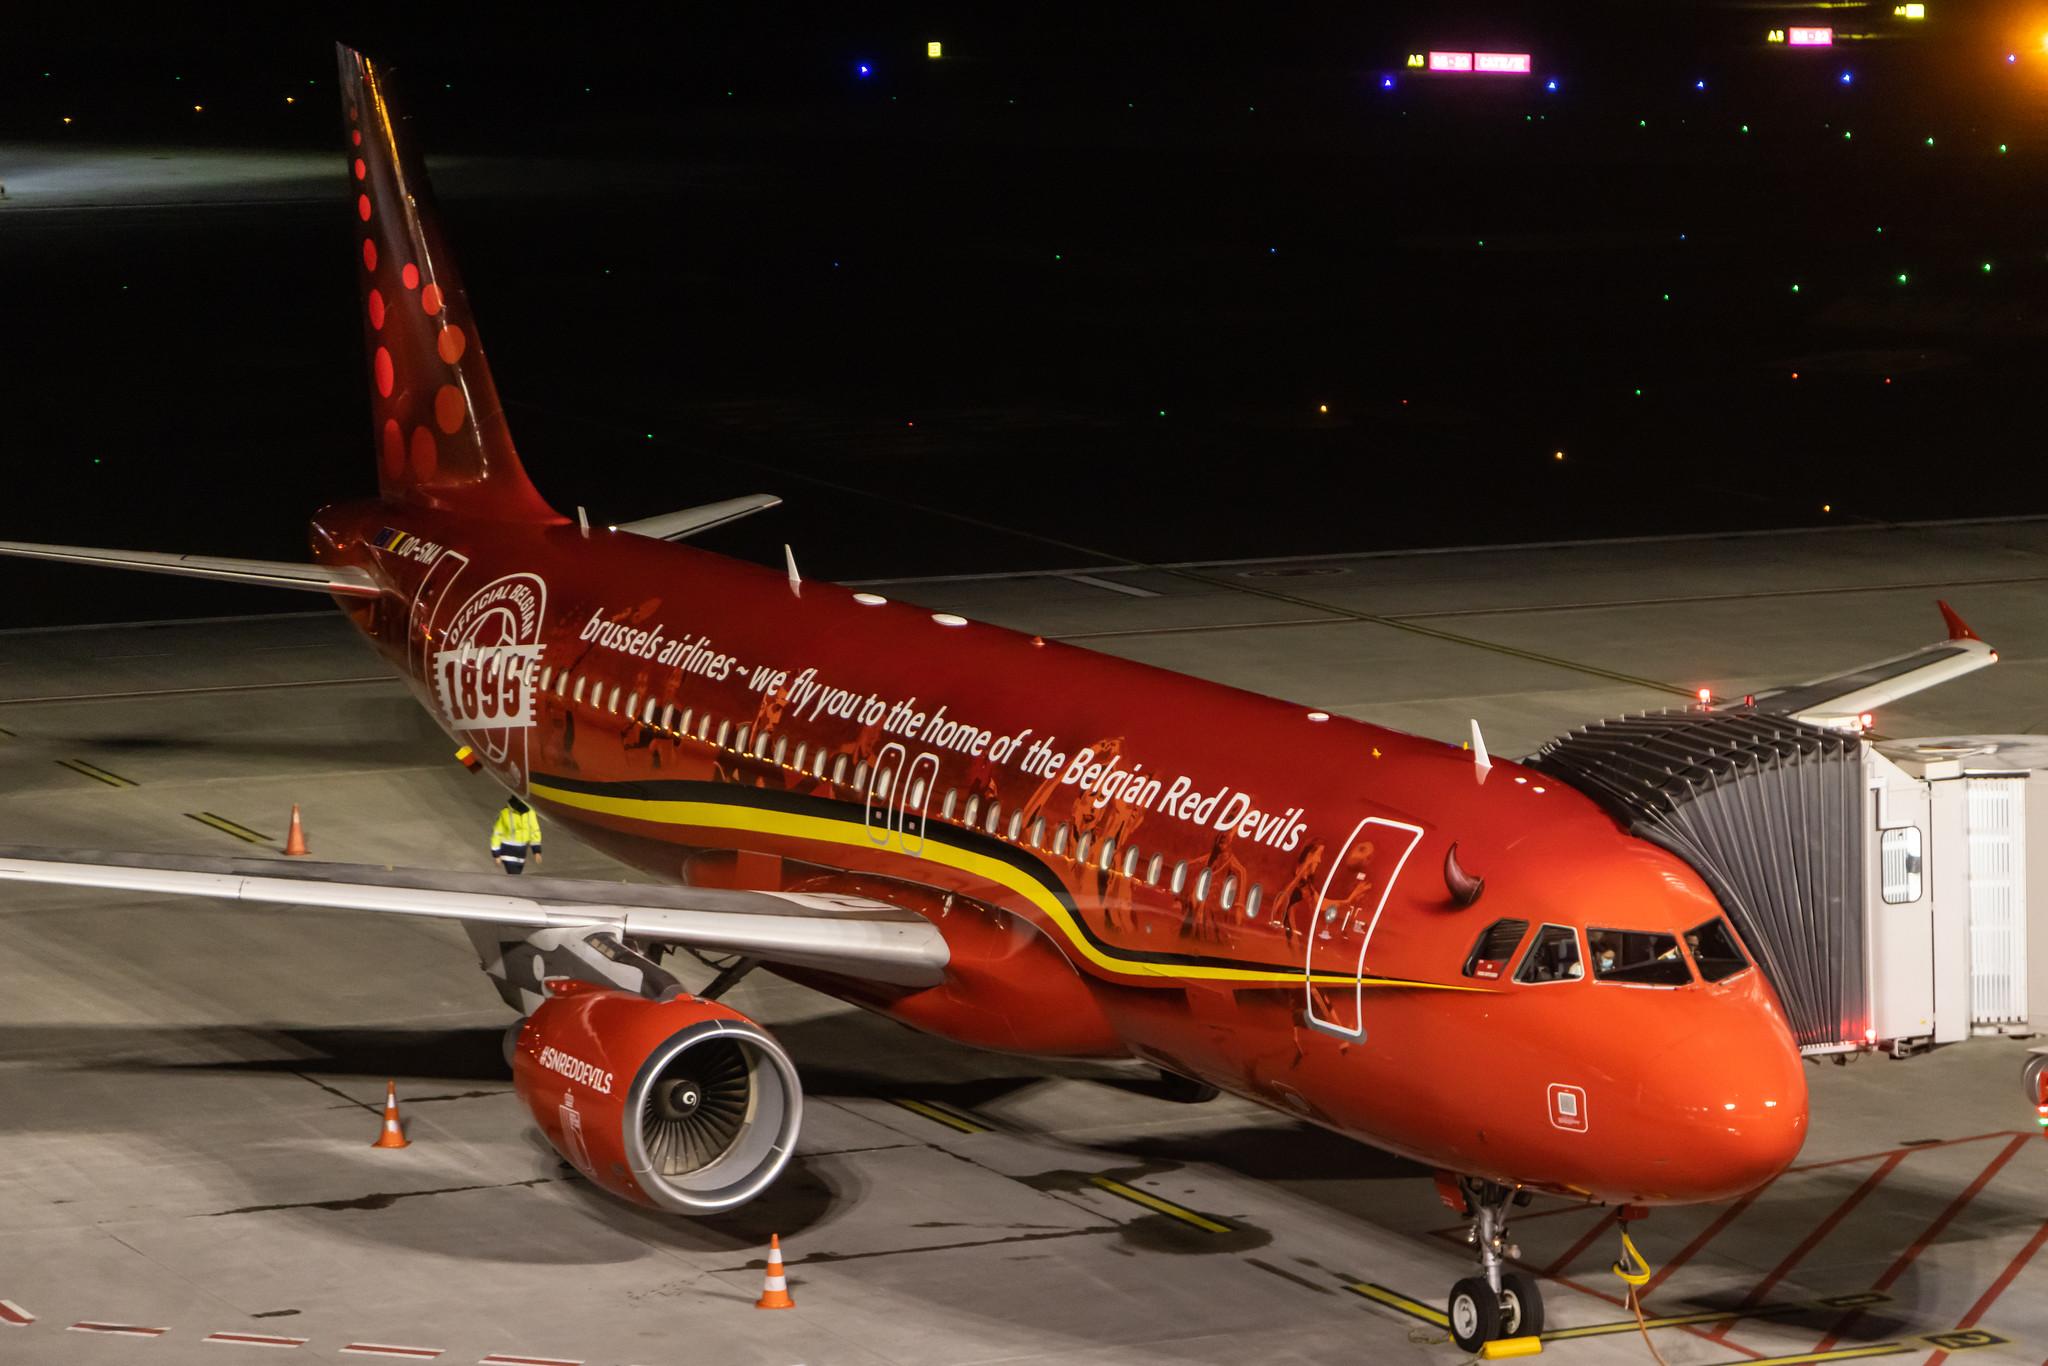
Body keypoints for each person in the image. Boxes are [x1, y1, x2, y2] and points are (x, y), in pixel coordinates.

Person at [490, 795, 542, 874]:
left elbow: (535, 831)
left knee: (516, 876)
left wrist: (536, 851)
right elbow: (497, 834)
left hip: (521, 852)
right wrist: (496, 854)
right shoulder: (505, 813)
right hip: (508, 851)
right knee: (514, 876)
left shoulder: (530, 812)